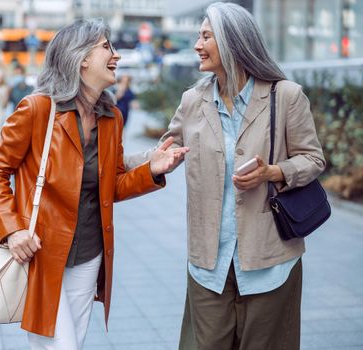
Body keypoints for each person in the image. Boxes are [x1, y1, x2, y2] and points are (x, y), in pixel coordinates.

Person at [124, 3, 326, 349]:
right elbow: (160, 151)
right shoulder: (193, 100)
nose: (197, 45)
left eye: (205, 36)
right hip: (209, 263)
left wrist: (273, 172)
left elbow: (313, 159)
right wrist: (103, 159)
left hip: (270, 261)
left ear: (233, 41)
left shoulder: (285, 96)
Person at [0, 19, 188, 350]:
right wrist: (13, 229)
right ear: (80, 58)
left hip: (90, 252)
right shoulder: (37, 109)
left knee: (71, 344)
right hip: (41, 252)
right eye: (106, 46)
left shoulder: (111, 117)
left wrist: (153, 169)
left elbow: (113, 184)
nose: (116, 56)